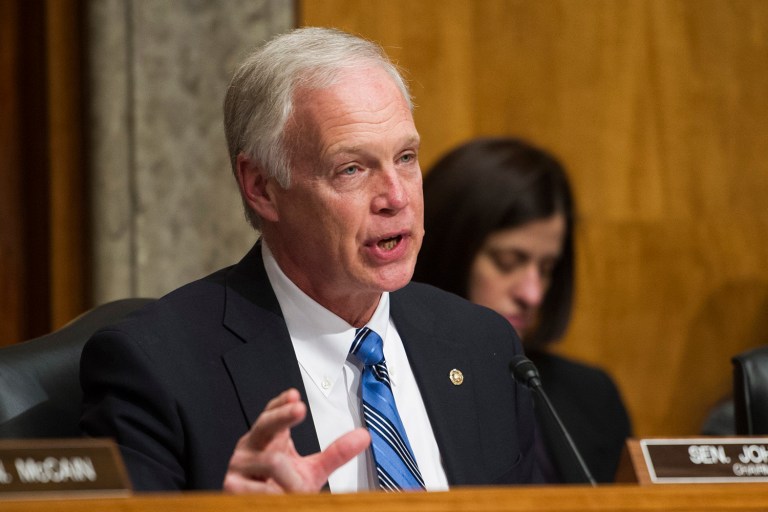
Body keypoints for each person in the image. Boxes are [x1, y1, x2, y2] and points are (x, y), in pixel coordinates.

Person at [79, 28, 537, 493]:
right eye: (352, 169)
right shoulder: (159, 369)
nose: (396, 197)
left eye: (405, 157)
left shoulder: (482, 346)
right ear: (261, 187)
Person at [413, 137, 631, 483]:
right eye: (507, 262)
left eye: (546, 269)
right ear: (448, 251)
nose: (533, 293)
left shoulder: (591, 394)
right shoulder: (397, 382)